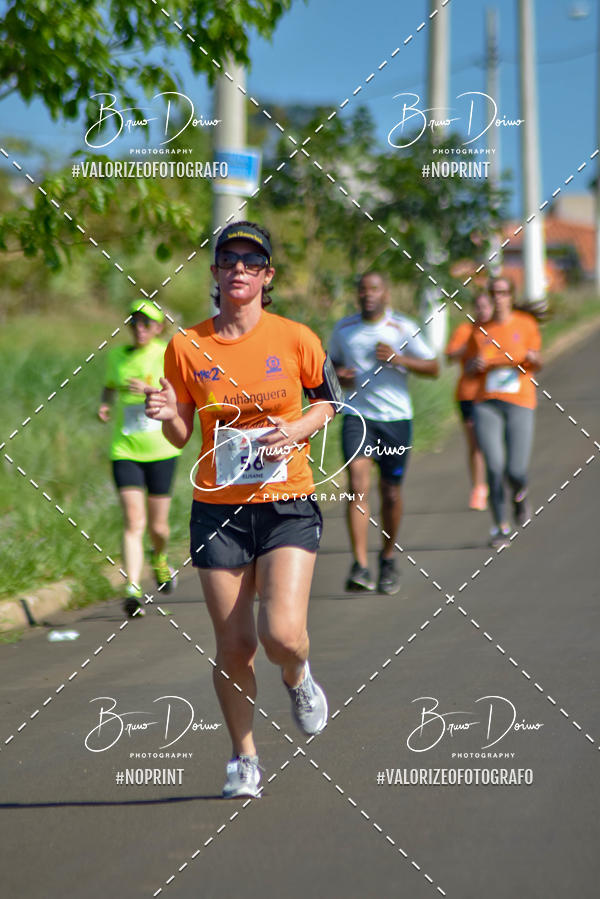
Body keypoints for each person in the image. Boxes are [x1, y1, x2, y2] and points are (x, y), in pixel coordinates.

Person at [144, 221, 341, 799]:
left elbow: (329, 402)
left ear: (266, 276)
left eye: (251, 262)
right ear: (214, 273)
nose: (239, 270)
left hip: (286, 503)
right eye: (228, 260)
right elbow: (183, 433)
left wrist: (297, 427)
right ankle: (244, 758)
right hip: (218, 510)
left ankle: (298, 676)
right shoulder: (186, 345)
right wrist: (166, 413)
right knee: (234, 646)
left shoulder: (296, 338)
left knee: (281, 635)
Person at [329, 272, 439, 595]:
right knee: (357, 485)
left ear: (386, 293)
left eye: (374, 289)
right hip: (357, 417)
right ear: (357, 295)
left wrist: (398, 358)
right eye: (362, 289)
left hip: (395, 419)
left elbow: (433, 368)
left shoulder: (402, 327)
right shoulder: (344, 329)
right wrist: (339, 375)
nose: (368, 295)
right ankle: (360, 566)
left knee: (390, 493)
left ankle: (388, 558)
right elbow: (330, 369)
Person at [98, 301, 181, 617]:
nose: (140, 328)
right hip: (125, 450)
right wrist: (105, 405)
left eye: (147, 323)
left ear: (159, 327)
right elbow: (108, 388)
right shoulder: (117, 357)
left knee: (158, 527)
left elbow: (178, 395)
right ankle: (132, 586)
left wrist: (149, 390)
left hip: (161, 450)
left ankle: (159, 558)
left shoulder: (166, 354)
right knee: (134, 521)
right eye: (134, 322)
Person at [466, 276, 542, 548]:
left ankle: (520, 493)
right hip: (487, 403)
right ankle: (499, 526)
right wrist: (473, 365)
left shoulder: (526, 324)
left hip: (520, 401)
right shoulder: (479, 331)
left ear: (511, 295)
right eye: (493, 293)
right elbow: (467, 368)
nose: (497, 297)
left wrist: (533, 359)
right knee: (495, 467)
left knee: (515, 469)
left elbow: (538, 359)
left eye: (503, 292)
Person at [445, 292, 494, 511]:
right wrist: (470, 348)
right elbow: (450, 355)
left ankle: (497, 482)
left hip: (494, 394)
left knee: (494, 442)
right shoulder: (465, 331)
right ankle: (479, 487)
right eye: (478, 306)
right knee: (475, 443)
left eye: (486, 306)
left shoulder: (498, 330)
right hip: (468, 394)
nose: (482, 311)